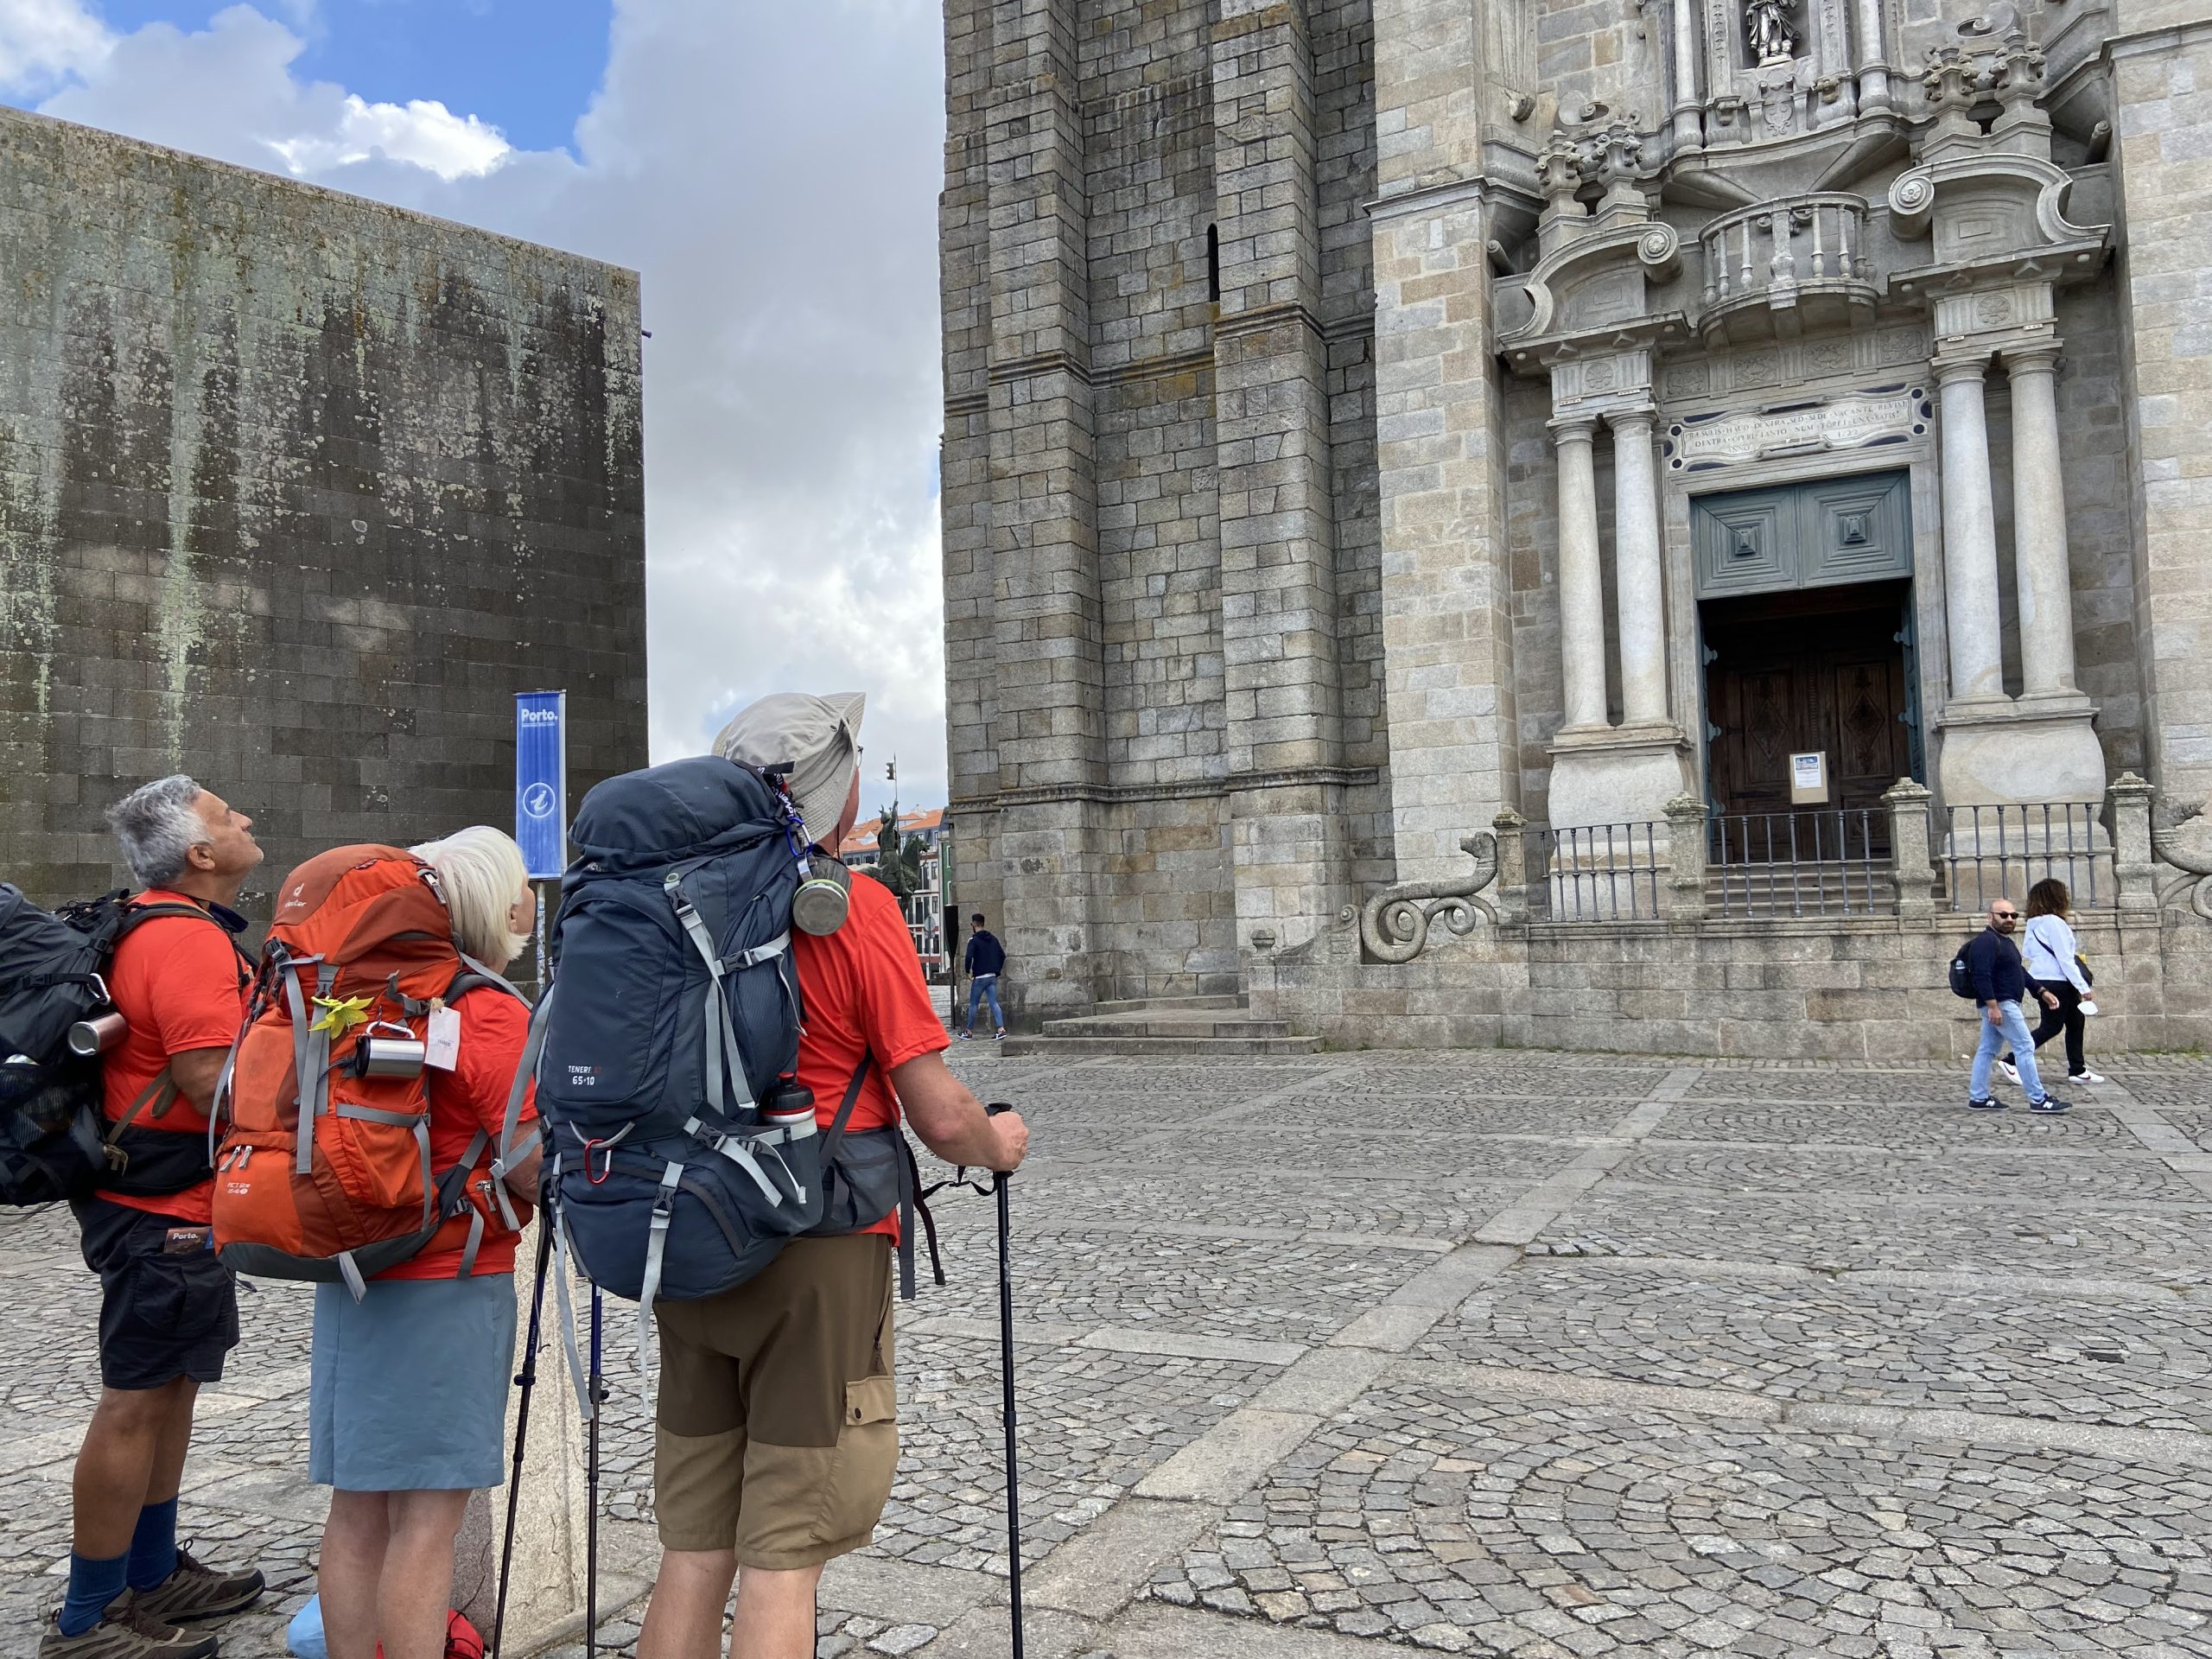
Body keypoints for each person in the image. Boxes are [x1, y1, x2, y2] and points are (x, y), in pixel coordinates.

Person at [638, 693, 1028, 1659]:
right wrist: (997, 1142)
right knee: (785, 1551)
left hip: (685, 1235)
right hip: (816, 1247)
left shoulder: (659, 907)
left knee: (695, 1546)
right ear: (832, 795)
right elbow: (939, 1116)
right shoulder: (854, 912)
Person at [311, 827, 543, 1659]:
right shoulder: (482, 1009)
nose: (530, 898)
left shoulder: (360, 996)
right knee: (428, 1520)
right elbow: (527, 1164)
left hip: (350, 1272)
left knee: (358, 1508)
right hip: (448, 1280)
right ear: (493, 901)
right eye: (521, 883)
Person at [48, 778, 266, 1659]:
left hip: (167, 1200)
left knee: (172, 1390)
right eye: (225, 813)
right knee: (136, 1403)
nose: (244, 817)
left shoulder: (177, 927)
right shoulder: (183, 939)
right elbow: (212, 1083)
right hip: (159, 1207)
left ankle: (149, 1573)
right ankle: (90, 1618)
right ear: (200, 856)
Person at [1963, 896, 2071, 1115]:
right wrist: (1992, 1006)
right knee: (2025, 1046)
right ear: (1990, 916)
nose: (2009, 919)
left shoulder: (2005, 943)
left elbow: (2019, 972)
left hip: (2003, 1003)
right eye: (2003, 915)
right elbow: (1981, 976)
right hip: (2001, 1004)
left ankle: (1979, 1097)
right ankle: (2039, 1099)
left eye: (2014, 916)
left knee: (1986, 1050)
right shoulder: (1986, 941)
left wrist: (2041, 991)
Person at [1998, 877, 2105, 1088]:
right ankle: (2011, 1060)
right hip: (2058, 981)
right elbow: (2065, 959)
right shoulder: (2056, 923)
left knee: (2076, 1022)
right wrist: (2084, 988)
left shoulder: (2033, 923)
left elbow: (2028, 951)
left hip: (2042, 977)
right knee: (2051, 1027)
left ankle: (2078, 1069)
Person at [959, 912, 1006, 1041]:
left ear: (974, 924)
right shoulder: (993, 939)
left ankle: (968, 1031)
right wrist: (997, 970)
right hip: (992, 976)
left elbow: (969, 957)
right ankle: (1001, 1029)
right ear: (983, 924)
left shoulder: (973, 940)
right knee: (993, 1002)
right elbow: (1002, 955)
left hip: (979, 977)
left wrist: (968, 971)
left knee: (974, 1004)